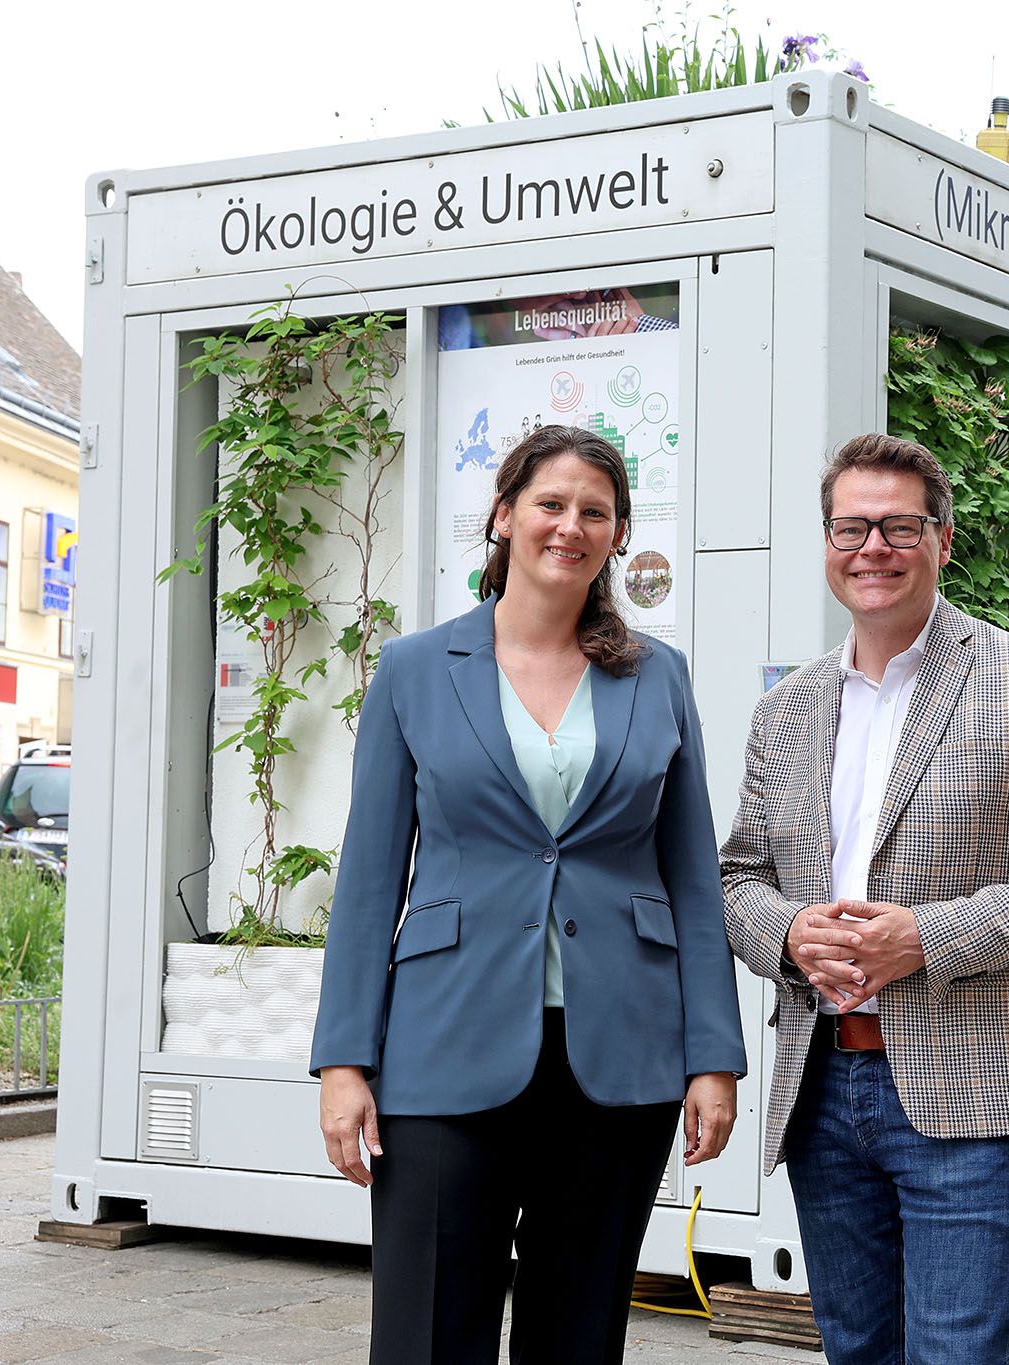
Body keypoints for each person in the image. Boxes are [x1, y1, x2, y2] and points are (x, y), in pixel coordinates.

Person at [310, 424, 746, 1365]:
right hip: (443, 1048)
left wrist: (714, 1054)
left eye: (596, 511)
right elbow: (371, 877)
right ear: (504, 515)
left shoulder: (658, 676)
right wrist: (344, 1061)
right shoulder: (415, 670)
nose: (570, 525)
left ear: (618, 535)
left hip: (618, 1052)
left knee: (579, 1335)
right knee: (429, 1334)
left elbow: (692, 878)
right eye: (551, 503)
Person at [719, 433, 1009, 1365]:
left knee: (955, 1350)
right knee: (854, 1346)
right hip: (821, 1083)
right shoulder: (788, 707)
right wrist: (788, 932)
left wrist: (926, 937)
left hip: (967, 1086)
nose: (874, 547)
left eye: (899, 526)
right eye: (852, 527)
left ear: (941, 540)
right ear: (827, 544)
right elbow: (736, 876)